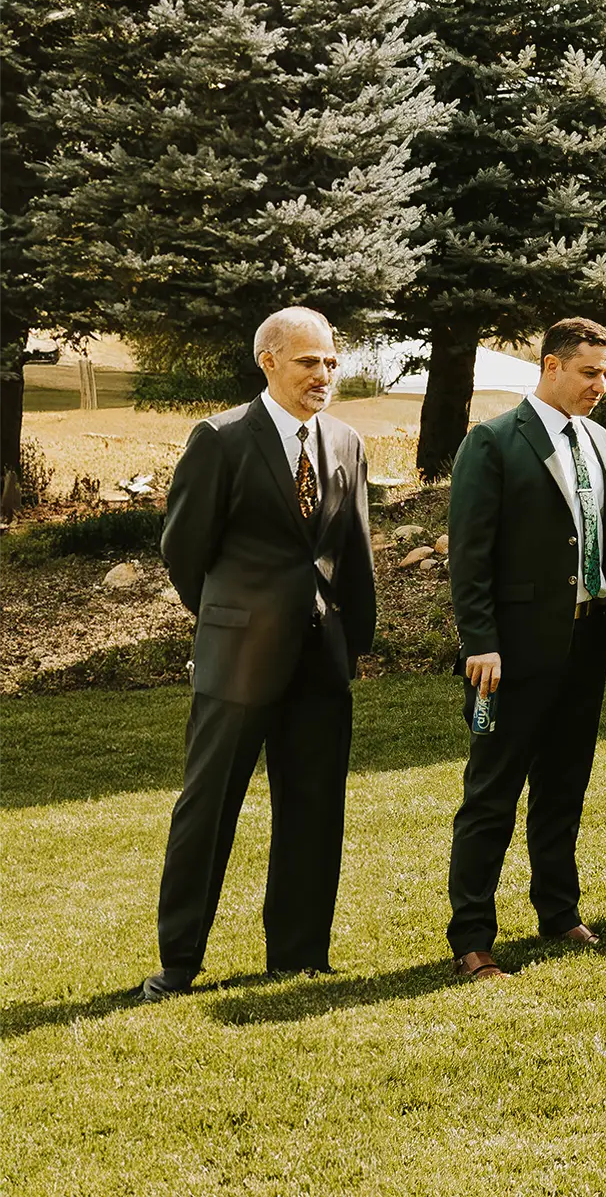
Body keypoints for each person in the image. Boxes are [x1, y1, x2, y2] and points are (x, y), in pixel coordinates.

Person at [145, 307, 375, 1000]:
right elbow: (184, 551)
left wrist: (351, 640)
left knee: (313, 807)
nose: (323, 375)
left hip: (320, 660)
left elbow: (354, 551)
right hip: (238, 659)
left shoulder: (347, 440)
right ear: (268, 362)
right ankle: (178, 964)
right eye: (309, 361)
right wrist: (230, 622)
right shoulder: (219, 439)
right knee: (208, 809)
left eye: (331, 362)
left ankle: (299, 956)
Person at [443, 318, 606, 979]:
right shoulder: (494, 443)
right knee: (492, 795)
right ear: (551, 367)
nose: (600, 387)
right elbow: (470, 555)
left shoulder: (597, 439)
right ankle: (472, 938)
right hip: (512, 652)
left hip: (586, 641)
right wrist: (482, 643)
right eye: (589, 373)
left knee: (563, 787)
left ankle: (559, 913)